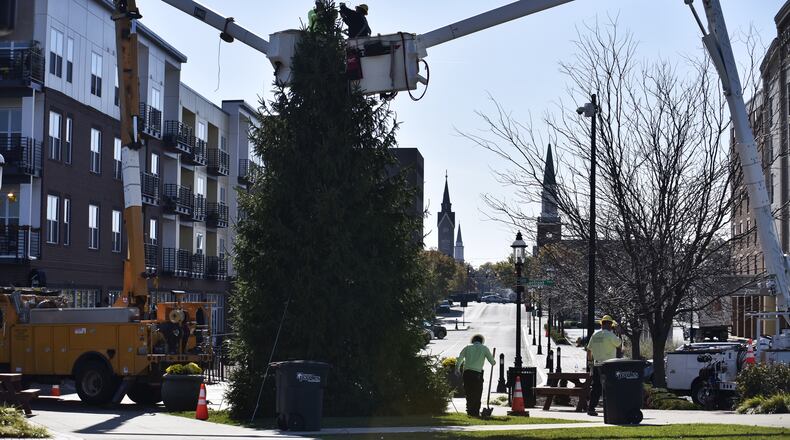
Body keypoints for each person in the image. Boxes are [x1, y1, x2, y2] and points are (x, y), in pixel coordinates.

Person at [585, 315, 623, 416]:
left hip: (597, 364)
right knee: (610, 387)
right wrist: (619, 333)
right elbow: (619, 344)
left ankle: (591, 408)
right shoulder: (610, 335)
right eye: (611, 325)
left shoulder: (595, 334)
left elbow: (589, 350)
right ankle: (610, 408)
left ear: (602, 324)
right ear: (610, 324)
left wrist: (590, 363)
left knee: (596, 387)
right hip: (609, 365)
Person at [456, 334, 496, 417]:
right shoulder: (484, 348)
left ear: (473, 340)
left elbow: (460, 358)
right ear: (481, 341)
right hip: (478, 373)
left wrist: (457, 368)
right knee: (477, 393)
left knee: (468, 392)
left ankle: (469, 410)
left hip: (467, 373)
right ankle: (475, 411)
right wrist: (493, 361)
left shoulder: (467, 347)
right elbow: (492, 362)